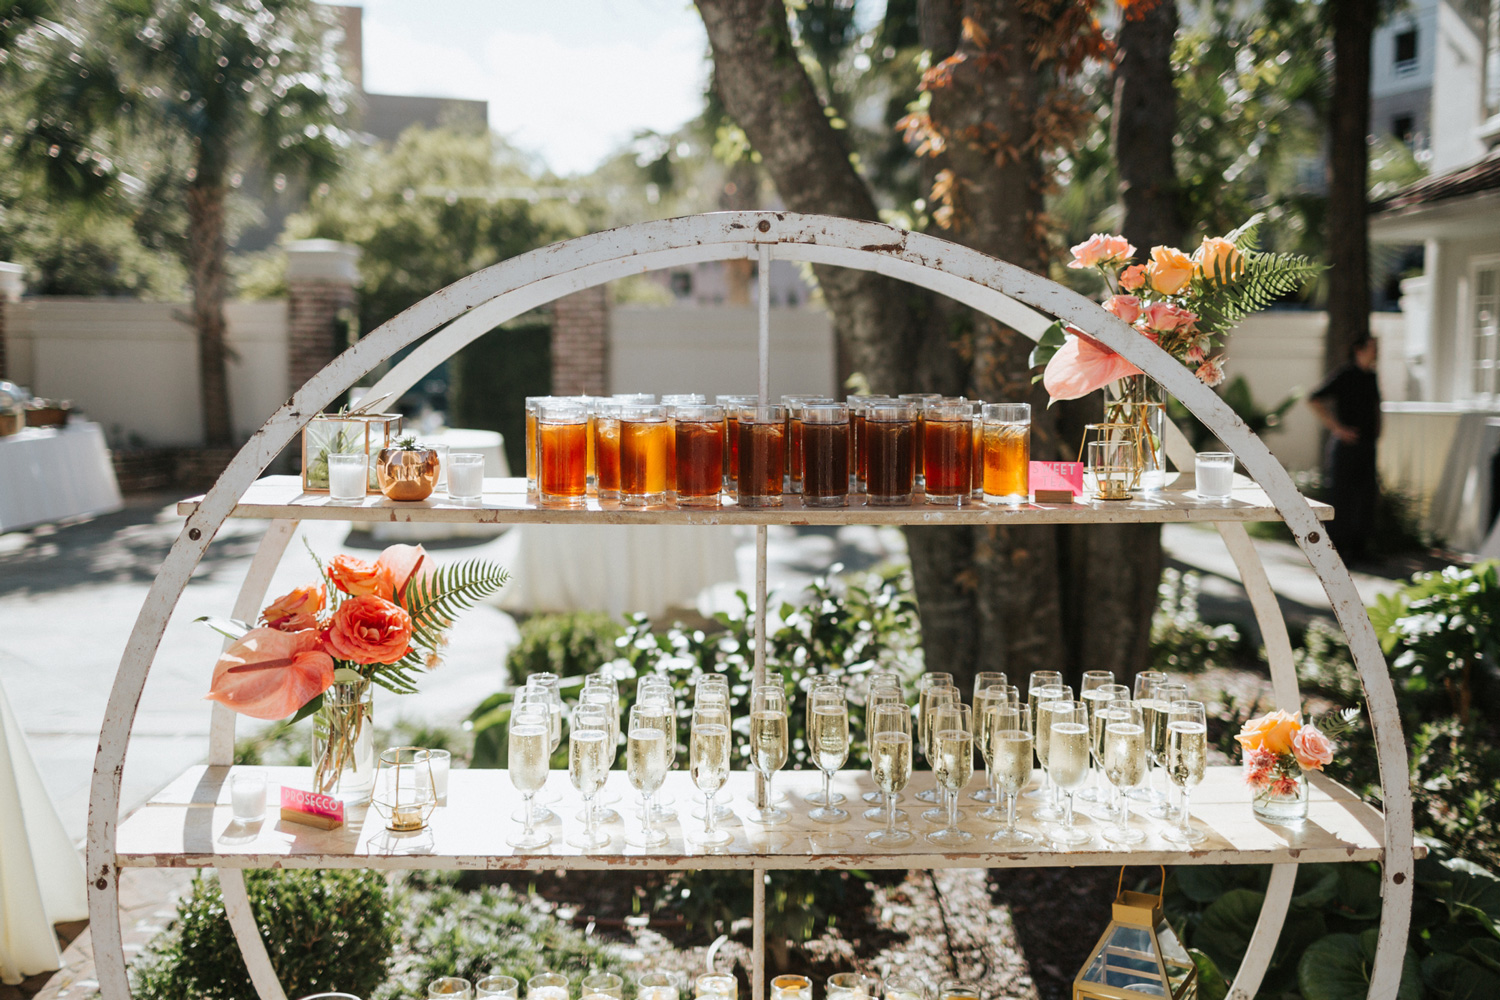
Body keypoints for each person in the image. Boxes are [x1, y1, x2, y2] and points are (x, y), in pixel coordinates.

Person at [1308, 336, 1381, 561]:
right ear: (1359, 349)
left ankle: (1360, 549)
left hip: (1367, 446)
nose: (1376, 351)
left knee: (1367, 496)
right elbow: (1314, 399)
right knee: (1342, 497)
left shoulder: (1371, 376)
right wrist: (1337, 429)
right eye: (1372, 347)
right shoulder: (1346, 374)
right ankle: (1337, 550)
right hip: (1345, 447)